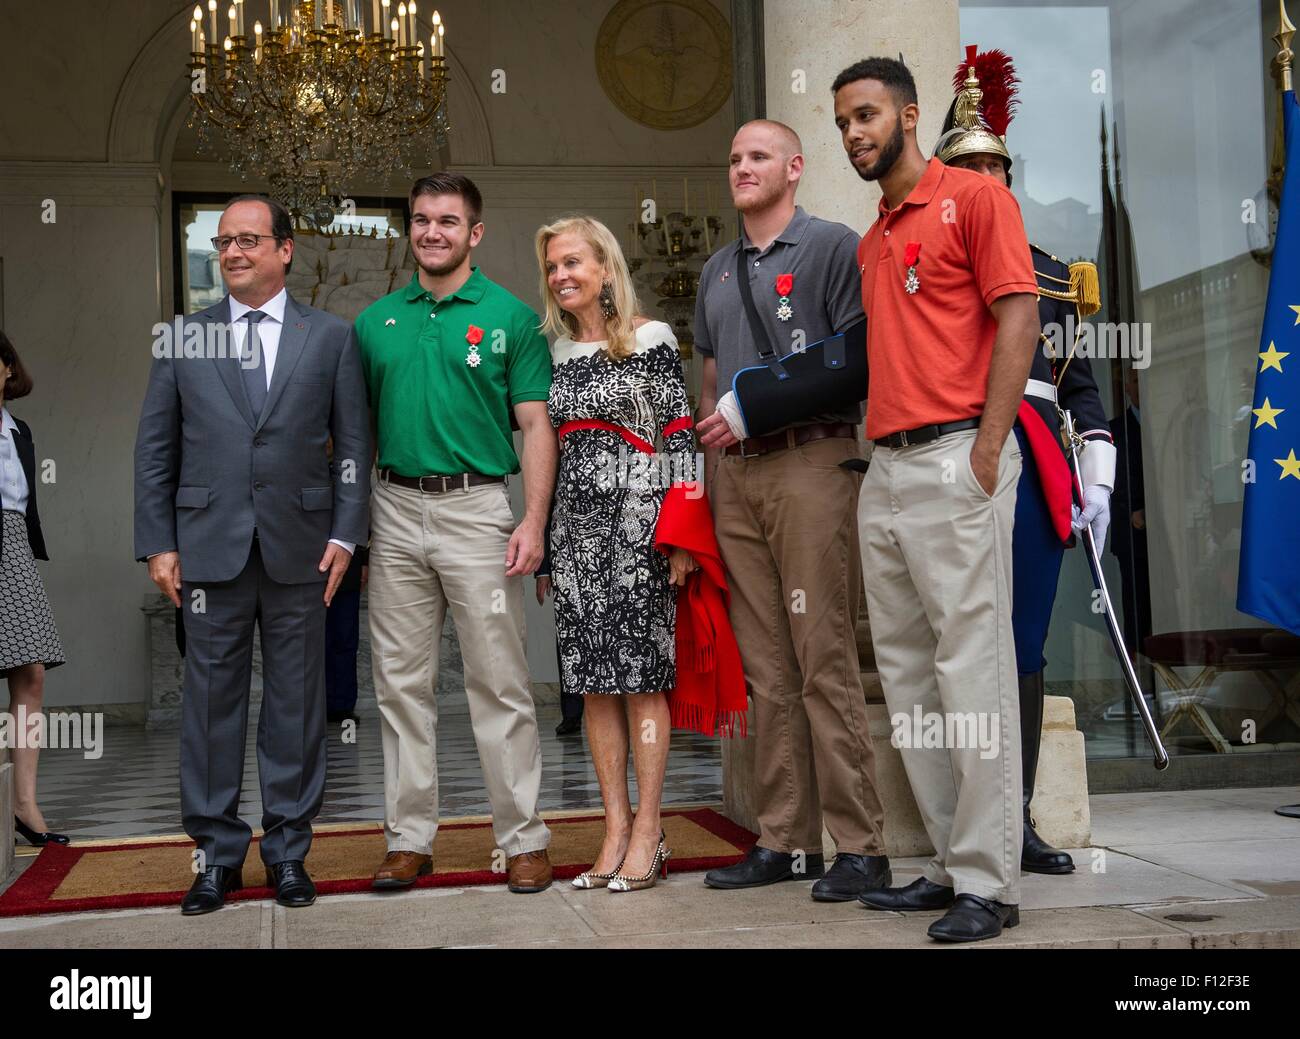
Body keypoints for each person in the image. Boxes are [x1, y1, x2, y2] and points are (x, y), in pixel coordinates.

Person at [835, 56, 1040, 942]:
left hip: (961, 456)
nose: (854, 133)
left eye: (868, 115)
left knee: (974, 674)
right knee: (912, 677)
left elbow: (1020, 317)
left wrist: (989, 450)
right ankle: (951, 865)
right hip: (886, 470)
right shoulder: (869, 240)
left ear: (910, 115)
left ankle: (992, 882)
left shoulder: (976, 199)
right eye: (844, 121)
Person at [134, 194, 371, 915]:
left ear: (285, 249)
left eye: (248, 239)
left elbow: (355, 446)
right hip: (207, 552)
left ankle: (289, 853)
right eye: (223, 240)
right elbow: (155, 450)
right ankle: (215, 859)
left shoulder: (329, 337)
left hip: (303, 550)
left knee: (298, 707)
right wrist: (158, 542)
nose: (233, 251)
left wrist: (345, 534)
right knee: (209, 709)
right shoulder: (183, 337)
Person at [693, 119, 891, 902]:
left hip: (812, 462)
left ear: (795, 168)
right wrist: (705, 481)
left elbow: (858, 360)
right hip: (735, 476)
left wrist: (759, 407)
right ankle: (782, 837)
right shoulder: (715, 268)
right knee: (765, 667)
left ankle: (863, 846)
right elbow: (709, 384)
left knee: (823, 657)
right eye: (735, 157)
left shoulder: (835, 246)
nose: (742, 167)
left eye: (758, 157)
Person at [933, 47, 1116, 876]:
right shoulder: (927, 264)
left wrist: (1100, 460)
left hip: (1035, 457)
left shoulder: (1048, 270)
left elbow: (1077, 378)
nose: (982, 180)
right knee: (954, 646)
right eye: (966, 167)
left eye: (992, 167)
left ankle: (1026, 816)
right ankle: (966, 821)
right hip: (949, 457)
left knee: (1023, 643)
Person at [355, 173, 557, 894]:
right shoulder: (374, 322)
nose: (431, 232)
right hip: (395, 507)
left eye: (447, 221)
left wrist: (533, 519)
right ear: (407, 230)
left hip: (478, 510)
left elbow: (536, 426)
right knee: (400, 685)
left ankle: (522, 837)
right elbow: (357, 434)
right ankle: (409, 838)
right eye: (419, 220)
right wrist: (359, 531)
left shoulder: (512, 318)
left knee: (499, 681)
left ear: (474, 233)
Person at [535, 215, 739, 892]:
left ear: (604, 268)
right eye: (553, 268)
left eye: (572, 263)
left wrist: (682, 535)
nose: (562, 276)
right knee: (593, 684)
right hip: (576, 537)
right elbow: (551, 445)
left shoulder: (650, 339)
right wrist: (546, 545)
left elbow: (680, 436)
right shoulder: (555, 353)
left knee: (643, 680)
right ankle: (614, 826)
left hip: (640, 533)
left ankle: (650, 830)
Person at [1, 329, 68, 847]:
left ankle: (24, 804)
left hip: (13, 545)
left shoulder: (18, 430)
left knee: (30, 672)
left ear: (8, 370)